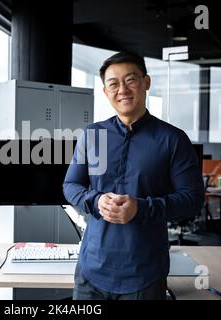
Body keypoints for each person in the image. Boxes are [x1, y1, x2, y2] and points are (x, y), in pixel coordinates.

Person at [63, 51, 204, 300]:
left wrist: (140, 208)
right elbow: (71, 185)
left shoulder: (173, 140)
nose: (122, 90)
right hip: (91, 271)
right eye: (113, 84)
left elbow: (192, 200)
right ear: (106, 92)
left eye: (131, 80)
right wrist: (95, 200)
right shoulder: (93, 135)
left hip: (144, 275)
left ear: (146, 82)